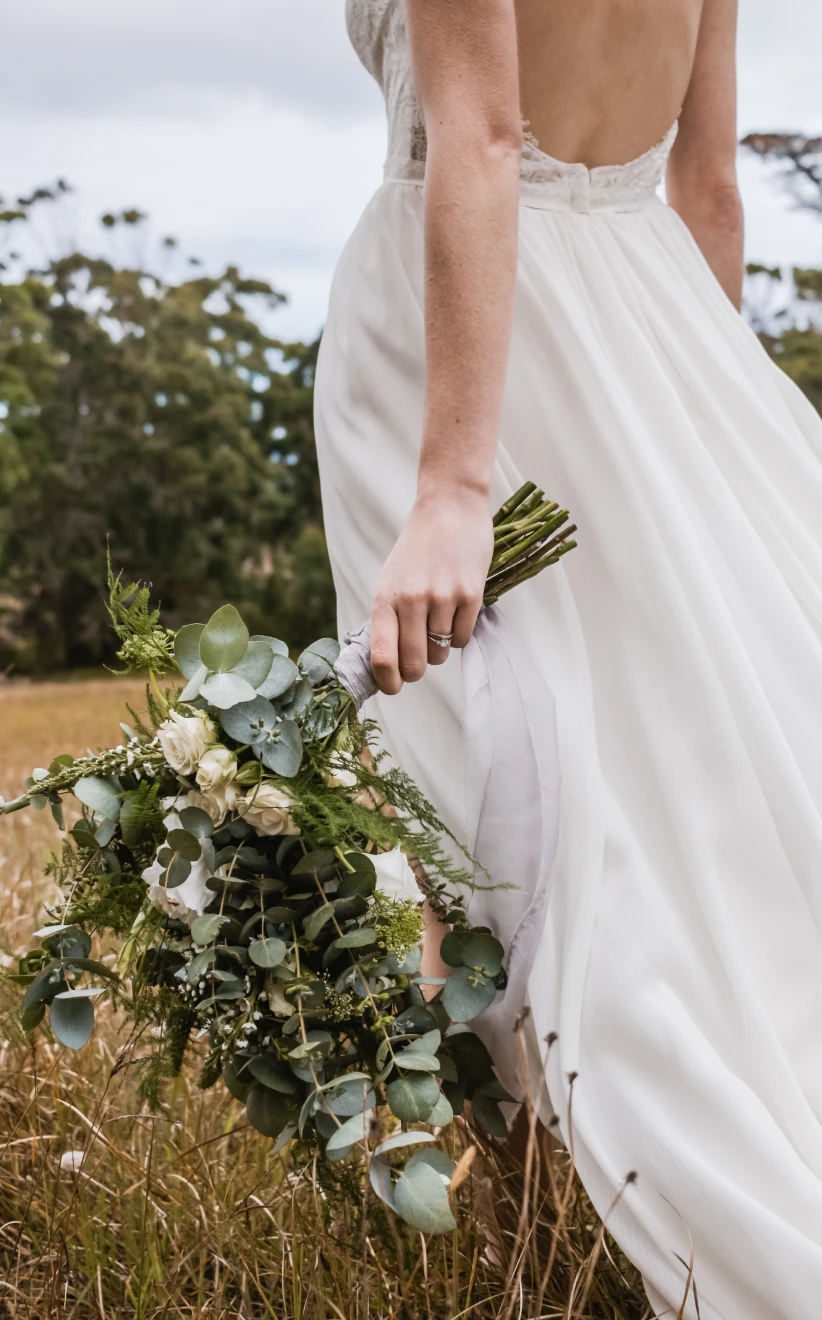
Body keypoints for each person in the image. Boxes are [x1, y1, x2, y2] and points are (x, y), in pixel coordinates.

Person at [314, 0, 822, 1313]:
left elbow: (480, 140)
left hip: (468, 350)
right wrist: (700, 431)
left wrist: (451, 485)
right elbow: (706, 188)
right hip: (664, 332)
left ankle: (606, 1195)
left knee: (490, 804)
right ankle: (579, 1204)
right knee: (687, 778)